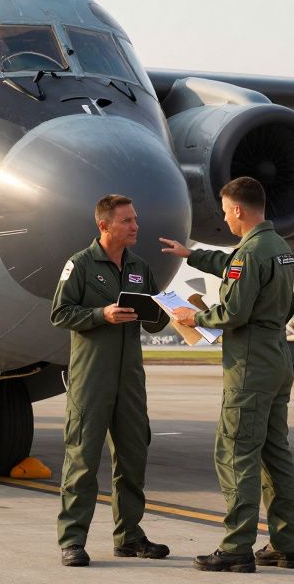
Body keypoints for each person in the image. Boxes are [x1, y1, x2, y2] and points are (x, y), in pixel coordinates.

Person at [160, 177, 294, 573]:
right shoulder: (278, 248)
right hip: (277, 356)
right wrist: (191, 254)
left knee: (236, 453)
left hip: (250, 364)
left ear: (238, 209)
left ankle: (237, 546)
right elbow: (251, 277)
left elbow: (233, 313)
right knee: (276, 455)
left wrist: (195, 316)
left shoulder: (250, 254)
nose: (224, 218)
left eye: (225, 211)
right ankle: (285, 545)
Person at [50, 194, 172, 567]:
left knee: (134, 456)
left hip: (130, 377)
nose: (136, 226)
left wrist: (169, 311)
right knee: (83, 460)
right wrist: (101, 313)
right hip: (92, 378)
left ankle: (130, 536)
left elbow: (156, 316)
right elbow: (60, 313)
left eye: (135, 220)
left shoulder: (139, 266)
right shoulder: (81, 265)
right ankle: (72, 540)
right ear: (104, 225)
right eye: (127, 221)